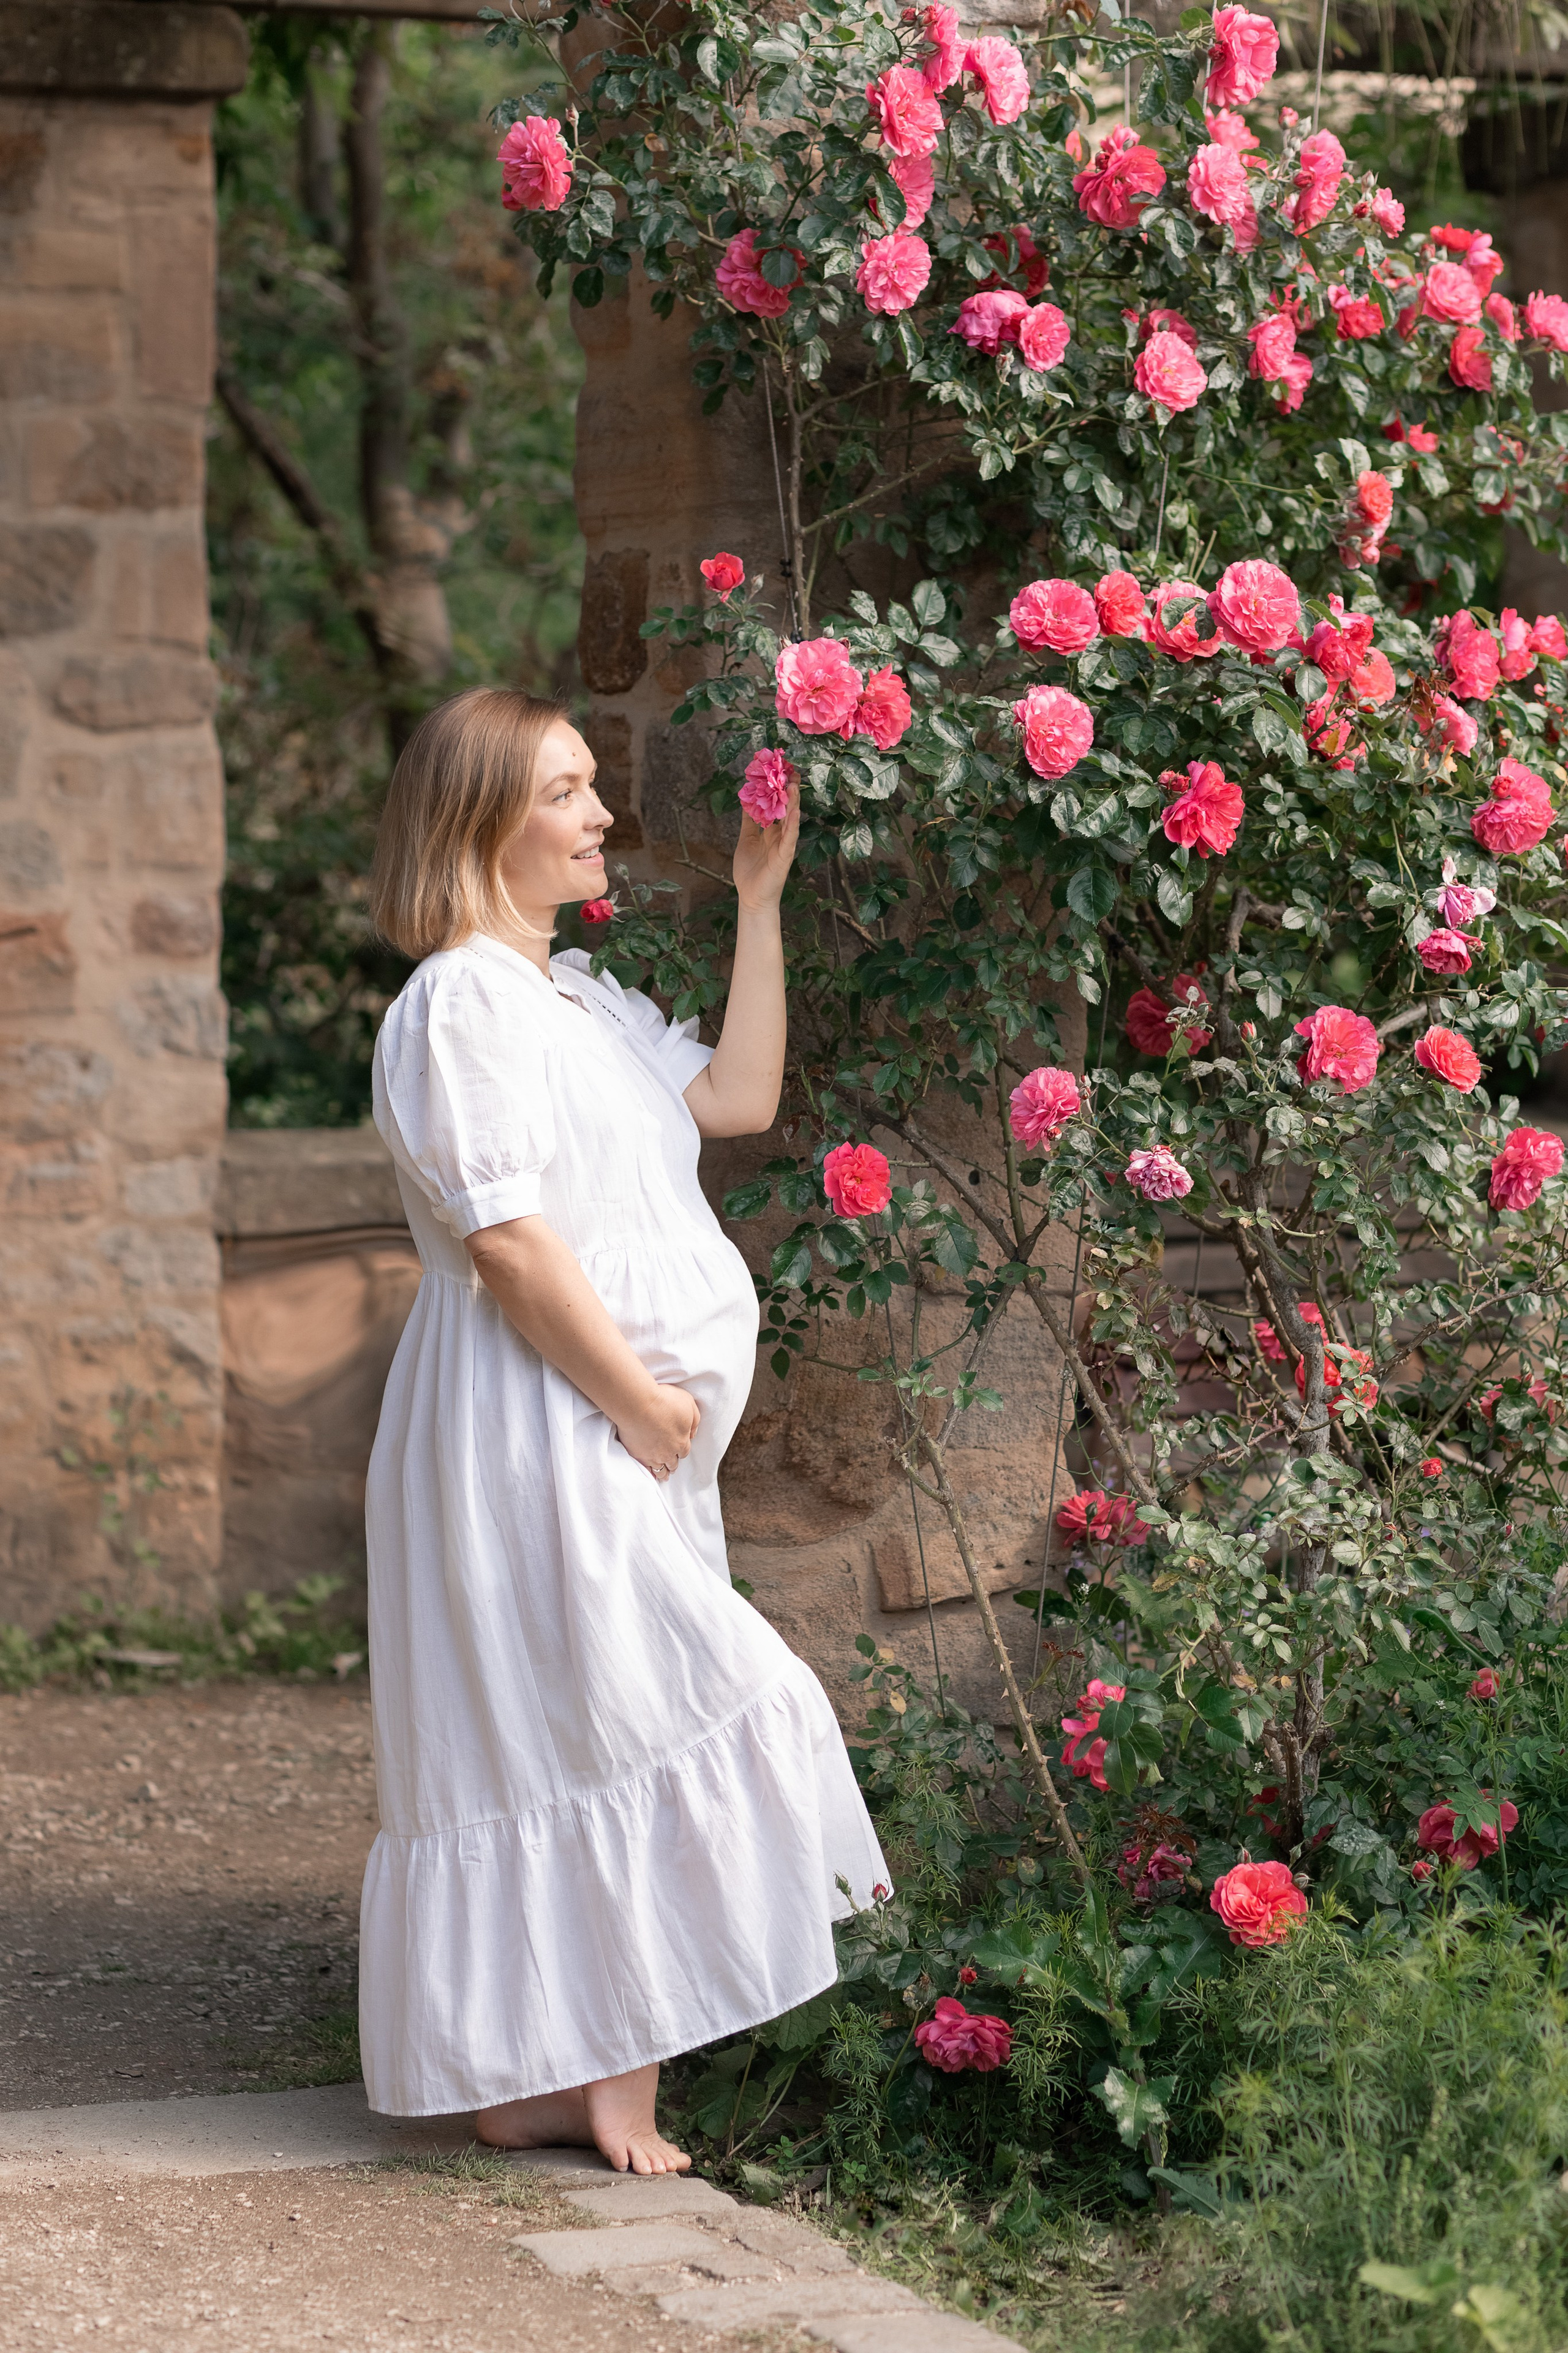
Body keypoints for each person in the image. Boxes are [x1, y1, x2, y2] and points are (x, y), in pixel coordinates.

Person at [360, 688, 888, 2175]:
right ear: (481, 825)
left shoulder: (570, 1001)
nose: (600, 815)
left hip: (608, 1425)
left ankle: (545, 2077)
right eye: (567, 789)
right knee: (648, 1702)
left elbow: (738, 1093)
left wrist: (757, 903)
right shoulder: (458, 1005)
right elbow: (510, 1243)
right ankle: (613, 2095)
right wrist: (640, 1400)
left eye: (592, 785)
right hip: (536, 1414)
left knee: (592, 1711)